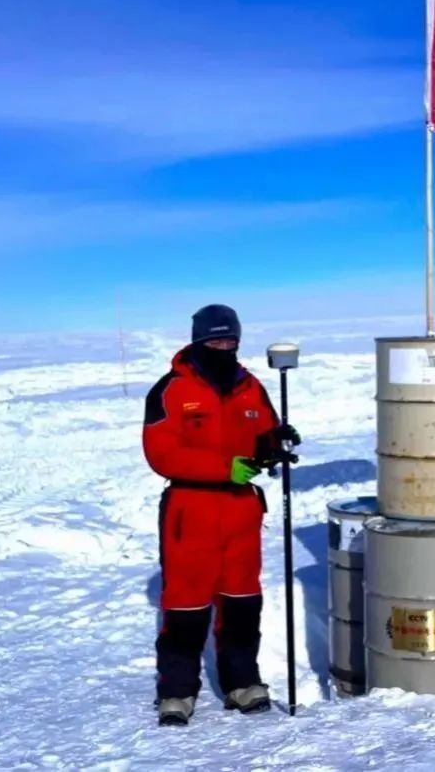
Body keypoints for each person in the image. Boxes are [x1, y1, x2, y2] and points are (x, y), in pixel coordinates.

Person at [142, 304, 301, 726]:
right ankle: (176, 691)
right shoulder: (170, 390)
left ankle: (242, 683)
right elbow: (161, 453)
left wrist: (274, 440)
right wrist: (223, 467)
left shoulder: (251, 387)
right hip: (189, 510)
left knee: (242, 600)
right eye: (214, 340)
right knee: (186, 604)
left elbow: (262, 433)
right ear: (197, 341)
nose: (223, 346)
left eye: (229, 340)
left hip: (240, 510)